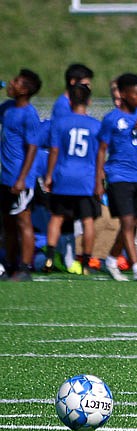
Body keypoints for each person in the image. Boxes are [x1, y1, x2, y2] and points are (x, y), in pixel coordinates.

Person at [95, 73, 137, 281]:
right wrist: (99, 180)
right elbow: (102, 149)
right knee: (128, 222)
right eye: (135, 93)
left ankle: (111, 260)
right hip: (118, 175)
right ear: (123, 94)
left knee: (134, 223)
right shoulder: (112, 118)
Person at [42, 83, 101, 275]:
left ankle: (50, 258)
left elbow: (54, 150)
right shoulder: (95, 125)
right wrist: (99, 180)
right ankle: (85, 263)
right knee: (87, 221)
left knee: (57, 217)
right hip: (86, 179)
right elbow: (99, 155)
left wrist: (49, 175)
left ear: (70, 101)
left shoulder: (60, 123)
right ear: (89, 101)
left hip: (64, 176)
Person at [0, 69, 42, 282]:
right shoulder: (8, 108)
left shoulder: (29, 114)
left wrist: (22, 179)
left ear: (24, 90)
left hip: (20, 179)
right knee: (7, 222)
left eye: (15, 82)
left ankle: (25, 267)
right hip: (5, 177)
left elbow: (33, 148)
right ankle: (9, 264)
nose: (10, 83)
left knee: (23, 221)